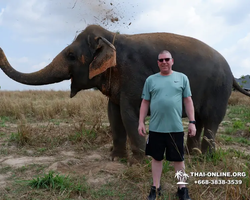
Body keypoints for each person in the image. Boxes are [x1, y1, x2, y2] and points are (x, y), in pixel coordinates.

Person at [138, 50, 196, 200]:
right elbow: (145, 102)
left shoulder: (182, 78)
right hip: (156, 128)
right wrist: (141, 122)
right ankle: (156, 188)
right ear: (157, 63)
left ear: (172, 61)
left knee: (179, 159)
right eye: (161, 60)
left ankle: (182, 189)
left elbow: (188, 101)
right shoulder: (151, 80)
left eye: (167, 59)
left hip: (175, 128)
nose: (164, 62)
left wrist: (192, 122)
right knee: (156, 158)